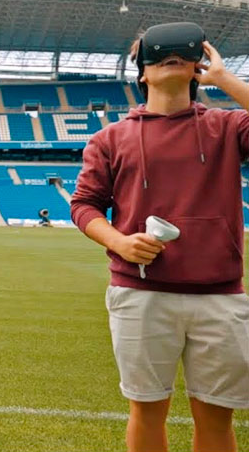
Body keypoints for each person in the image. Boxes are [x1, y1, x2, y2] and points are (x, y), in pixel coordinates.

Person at [70, 24, 249, 452]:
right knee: (147, 410)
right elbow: (84, 205)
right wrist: (119, 242)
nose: (171, 57)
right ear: (142, 74)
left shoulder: (228, 128)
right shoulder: (110, 139)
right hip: (141, 291)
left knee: (216, 415)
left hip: (220, 295)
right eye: (157, 55)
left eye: (182, 53)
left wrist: (224, 81)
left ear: (196, 64)